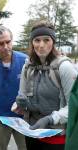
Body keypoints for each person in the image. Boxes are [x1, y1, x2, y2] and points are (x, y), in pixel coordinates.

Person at [12, 20, 77, 150]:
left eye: (46, 40)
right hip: (32, 132)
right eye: (37, 40)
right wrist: (19, 104)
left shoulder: (64, 67)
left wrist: (50, 119)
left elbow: (74, 106)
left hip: (57, 137)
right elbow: (22, 96)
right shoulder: (27, 67)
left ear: (53, 42)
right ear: (32, 42)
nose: (41, 45)